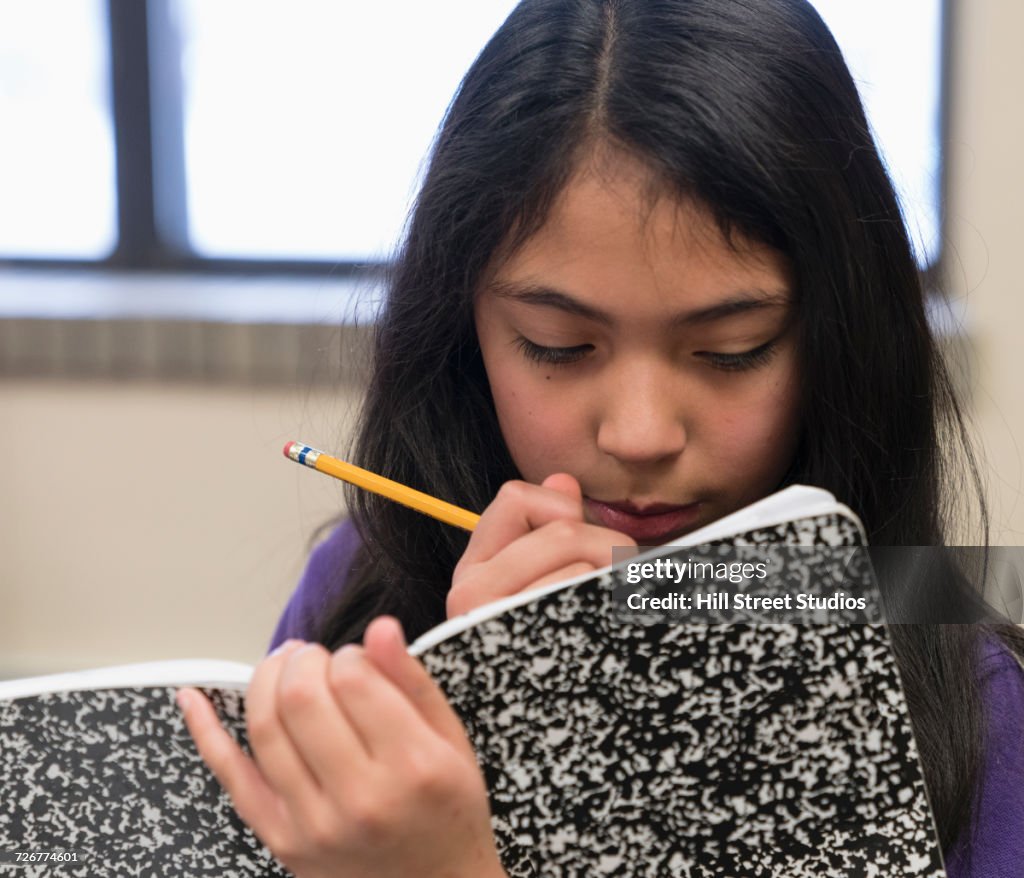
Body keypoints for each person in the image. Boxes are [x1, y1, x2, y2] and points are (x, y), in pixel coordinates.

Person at [177, 0, 1024, 875]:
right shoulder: (358, 593)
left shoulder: (968, 687)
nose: (641, 434)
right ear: (462, 331)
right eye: (559, 346)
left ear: (843, 339)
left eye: (731, 351)